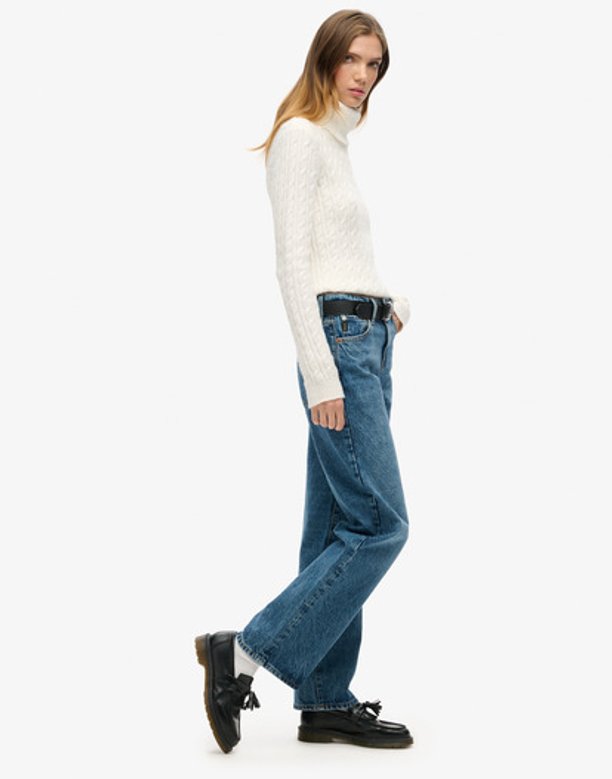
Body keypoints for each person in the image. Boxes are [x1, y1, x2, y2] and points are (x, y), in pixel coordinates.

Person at [195, 9, 413, 753]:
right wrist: (323, 373)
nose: (364, 76)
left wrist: (389, 305)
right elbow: (292, 265)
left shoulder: (335, 144)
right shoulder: (299, 137)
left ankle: (324, 699)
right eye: (353, 59)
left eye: (375, 65)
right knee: (382, 526)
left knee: (335, 530)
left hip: (365, 339)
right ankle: (245, 650)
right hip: (339, 350)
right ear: (325, 59)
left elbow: (337, 254)